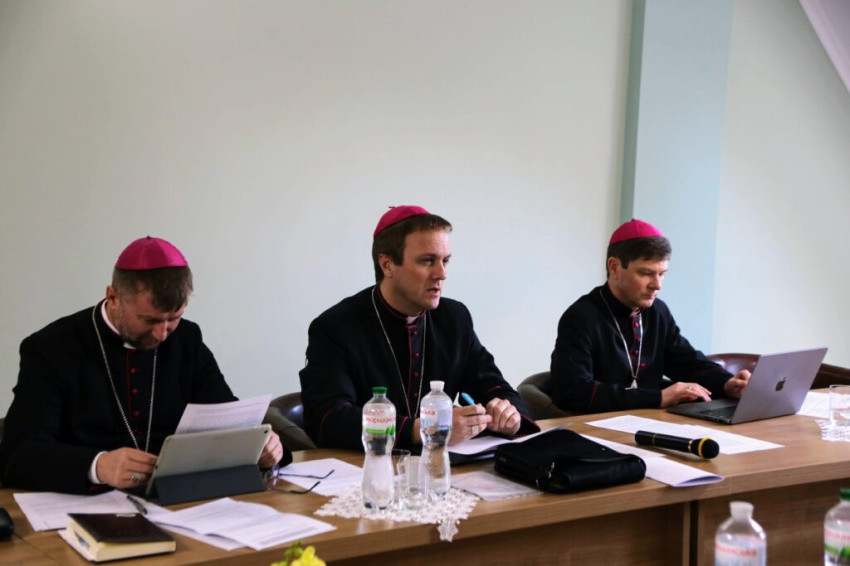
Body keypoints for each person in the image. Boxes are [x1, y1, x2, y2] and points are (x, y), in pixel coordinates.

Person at [0, 236, 289, 494]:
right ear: (113, 297)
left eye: (173, 318)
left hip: (179, 503)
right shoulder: (52, 348)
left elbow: (227, 419)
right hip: (83, 507)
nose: (162, 334)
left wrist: (262, 447)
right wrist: (97, 466)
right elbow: (18, 454)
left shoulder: (187, 339)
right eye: (150, 320)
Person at [299, 205, 539, 450]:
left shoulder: (454, 318)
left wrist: (508, 415)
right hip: (365, 466)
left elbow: (493, 385)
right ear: (387, 265)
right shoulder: (335, 327)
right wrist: (421, 429)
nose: (442, 274)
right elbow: (328, 419)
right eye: (427, 261)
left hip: (444, 465)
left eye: (445, 261)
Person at [546, 219, 751, 413]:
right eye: (646, 273)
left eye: (662, 274)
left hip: (651, 423)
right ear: (614, 267)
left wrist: (727, 383)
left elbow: (687, 361)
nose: (657, 285)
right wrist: (659, 397)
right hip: (595, 428)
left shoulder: (657, 312)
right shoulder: (581, 317)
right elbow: (573, 391)